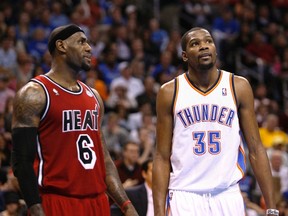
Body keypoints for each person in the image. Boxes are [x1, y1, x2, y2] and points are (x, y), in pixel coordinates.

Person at [11, 24, 138, 216]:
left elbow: (104, 159)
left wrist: (126, 205)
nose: (89, 48)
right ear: (61, 46)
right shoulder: (34, 94)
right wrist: (36, 208)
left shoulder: (94, 96)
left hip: (97, 202)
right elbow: (21, 161)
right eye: (81, 42)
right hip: (56, 200)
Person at [152, 27, 277, 216]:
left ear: (215, 50)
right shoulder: (169, 92)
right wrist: (159, 212)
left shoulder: (239, 86)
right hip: (185, 195)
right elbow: (161, 156)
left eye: (208, 41)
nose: (204, 47)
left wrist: (272, 208)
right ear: (185, 56)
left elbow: (256, 148)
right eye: (195, 44)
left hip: (227, 194)